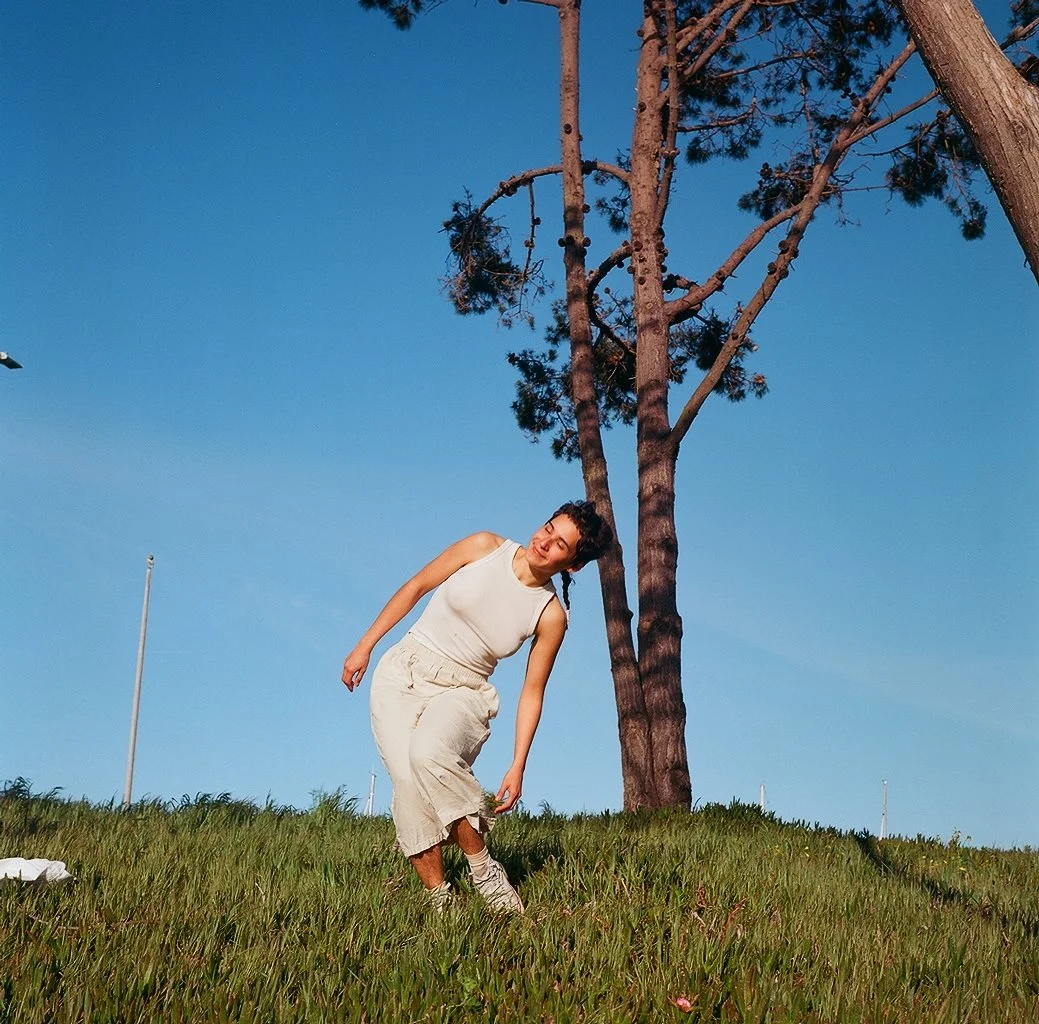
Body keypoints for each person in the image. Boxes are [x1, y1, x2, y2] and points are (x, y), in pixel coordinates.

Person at [341, 500, 613, 914]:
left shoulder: (550, 614)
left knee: (429, 755)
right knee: (409, 786)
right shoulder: (485, 546)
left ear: (572, 565)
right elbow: (416, 586)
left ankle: (482, 868)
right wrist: (365, 644)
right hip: (404, 673)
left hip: (463, 690)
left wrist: (518, 763)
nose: (544, 542)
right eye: (547, 528)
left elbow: (532, 691)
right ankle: (441, 901)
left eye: (560, 545)